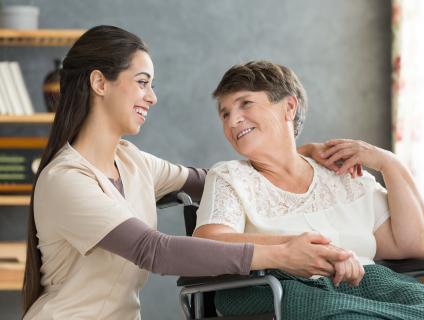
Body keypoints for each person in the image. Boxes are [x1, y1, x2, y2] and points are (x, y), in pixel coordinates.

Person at [21, 26, 359, 319]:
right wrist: (282, 254)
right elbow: (154, 251)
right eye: (142, 82)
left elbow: (222, 180)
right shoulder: (65, 179)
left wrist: (295, 156)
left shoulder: (132, 162)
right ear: (99, 82)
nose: (151, 97)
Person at [193, 61, 424, 319]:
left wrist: (389, 163)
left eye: (245, 103)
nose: (233, 120)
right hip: (281, 288)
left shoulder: (341, 175)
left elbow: (417, 245)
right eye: (224, 113)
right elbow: (208, 243)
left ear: (289, 107)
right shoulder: (230, 176)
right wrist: (304, 249)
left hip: (366, 285)